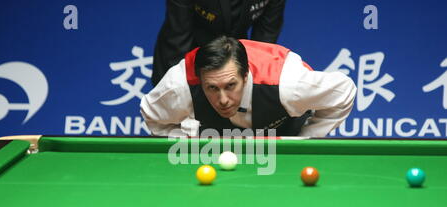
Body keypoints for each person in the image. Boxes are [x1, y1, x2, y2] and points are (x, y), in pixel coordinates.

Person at [140, 36, 357, 137]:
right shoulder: (180, 86)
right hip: (217, 145)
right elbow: (151, 114)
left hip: (285, 140)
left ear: (246, 76)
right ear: (200, 81)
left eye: (230, 85)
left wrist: (306, 139)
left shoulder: (288, 84)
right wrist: (184, 137)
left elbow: (344, 91)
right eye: (212, 88)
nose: (223, 99)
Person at [152, 0, 287, 86]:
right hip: (186, 51)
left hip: (233, 54)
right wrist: (177, 88)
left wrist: (252, 85)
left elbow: (266, 35)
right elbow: (178, 35)